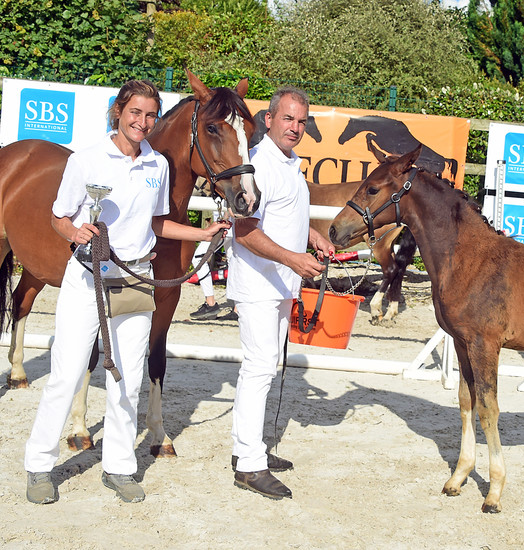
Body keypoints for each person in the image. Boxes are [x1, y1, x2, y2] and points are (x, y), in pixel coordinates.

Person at [24, 79, 231, 505]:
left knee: (127, 380)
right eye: (135, 112)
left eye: (151, 115)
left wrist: (202, 230)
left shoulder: (156, 164)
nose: (143, 122)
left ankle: (119, 468)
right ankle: (39, 465)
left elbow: (156, 224)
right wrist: (73, 229)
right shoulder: (86, 159)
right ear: (119, 111)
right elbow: (59, 216)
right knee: (65, 375)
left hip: (136, 280)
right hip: (88, 279)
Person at [227, 86, 334, 500]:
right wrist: (294, 259)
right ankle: (250, 465)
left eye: (301, 121)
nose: (295, 127)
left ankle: (247, 448)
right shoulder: (256, 165)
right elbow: (244, 230)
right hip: (258, 282)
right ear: (268, 120)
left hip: (280, 282)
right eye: (287, 118)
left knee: (264, 367)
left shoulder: (290, 164)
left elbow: (279, 214)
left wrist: (312, 235)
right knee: (258, 367)